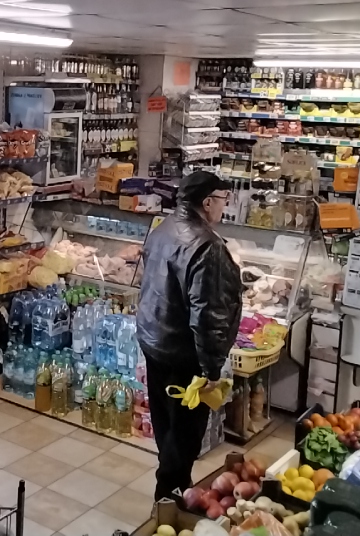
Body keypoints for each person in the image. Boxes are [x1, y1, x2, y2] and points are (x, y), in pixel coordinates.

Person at [137, 171, 243, 501]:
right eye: (223, 200)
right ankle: (168, 499)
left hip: (154, 342)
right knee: (184, 435)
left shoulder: (163, 228)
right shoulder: (207, 246)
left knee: (166, 427)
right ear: (207, 202)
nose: (224, 207)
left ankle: (173, 488)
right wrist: (211, 369)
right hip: (184, 355)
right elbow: (208, 315)